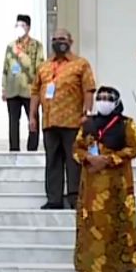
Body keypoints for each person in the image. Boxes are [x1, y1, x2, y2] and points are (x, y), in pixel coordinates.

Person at [73, 86, 136, 272]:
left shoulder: (127, 124)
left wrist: (109, 159)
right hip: (92, 187)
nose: (103, 101)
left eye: (108, 98)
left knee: (118, 227)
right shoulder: (87, 123)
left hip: (117, 186)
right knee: (92, 228)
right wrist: (89, 158)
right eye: (100, 97)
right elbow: (76, 148)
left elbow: (133, 148)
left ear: (116, 102)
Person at [29, 29, 96, 210]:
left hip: (73, 121)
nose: (59, 42)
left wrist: (87, 113)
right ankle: (54, 199)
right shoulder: (44, 66)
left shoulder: (81, 64)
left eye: (63, 39)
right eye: (56, 39)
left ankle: (75, 197)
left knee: (73, 160)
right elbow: (35, 91)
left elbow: (88, 89)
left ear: (70, 41)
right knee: (52, 161)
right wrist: (32, 116)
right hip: (49, 121)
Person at [1, 14, 44, 152]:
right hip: (13, 88)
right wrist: (4, 87)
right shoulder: (10, 46)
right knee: (13, 120)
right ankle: (14, 148)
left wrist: (39, 87)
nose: (19, 28)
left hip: (30, 88)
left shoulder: (36, 45)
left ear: (28, 28)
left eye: (22, 25)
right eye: (17, 25)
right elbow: (6, 67)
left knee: (33, 118)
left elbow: (40, 66)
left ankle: (32, 148)